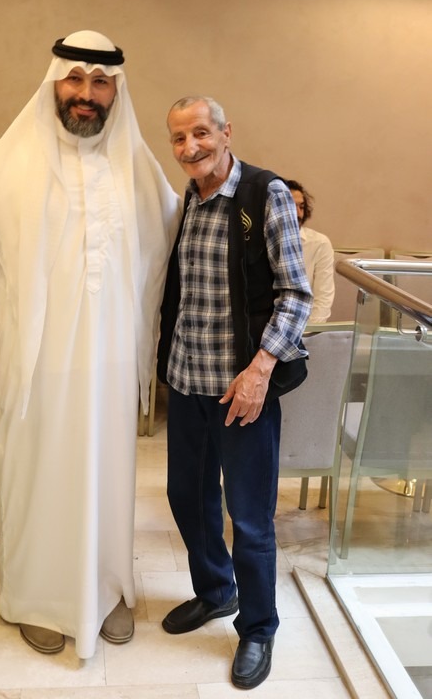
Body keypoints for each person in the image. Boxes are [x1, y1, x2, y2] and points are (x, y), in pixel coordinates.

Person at [0, 30, 180, 659]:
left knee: (109, 477)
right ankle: (37, 598)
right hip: (35, 365)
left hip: (111, 364)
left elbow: (180, 245)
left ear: (116, 92)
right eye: (75, 79)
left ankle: (108, 589)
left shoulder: (140, 170)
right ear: (54, 83)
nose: (86, 93)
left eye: (100, 82)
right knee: (37, 478)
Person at [157, 97, 312, 690]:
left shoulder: (263, 194)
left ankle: (259, 627)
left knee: (248, 517)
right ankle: (216, 591)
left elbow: (295, 293)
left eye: (200, 132)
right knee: (187, 497)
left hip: (242, 391)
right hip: (187, 381)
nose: (190, 146)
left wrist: (260, 369)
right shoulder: (188, 202)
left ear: (226, 133)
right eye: (178, 138)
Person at [284, 179, 335, 324]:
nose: (298, 213)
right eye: (291, 206)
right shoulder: (260, 241)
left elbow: (323, 299)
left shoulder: (319, 244)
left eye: (301, 207)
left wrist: (306, 331)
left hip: (305, 328)